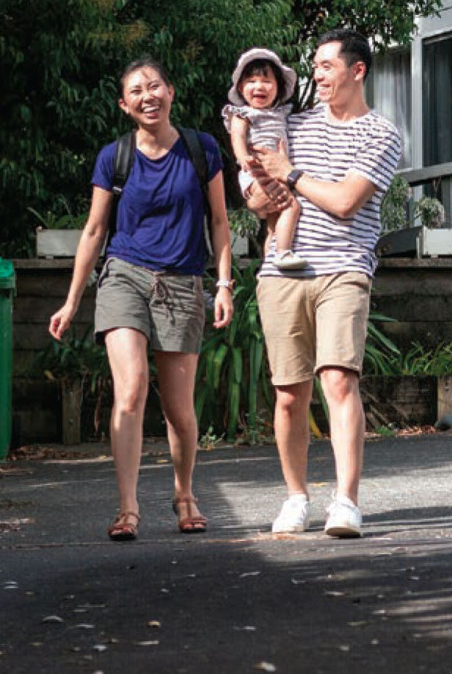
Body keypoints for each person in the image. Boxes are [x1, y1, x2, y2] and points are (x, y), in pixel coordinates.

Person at [49, 57, 234, 541]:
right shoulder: (115, 157)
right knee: (130, 389)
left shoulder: (201, 149)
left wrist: (225, 284)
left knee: (179, 408)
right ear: (124, 104)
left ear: (170, 92)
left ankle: (184, 493)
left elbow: (219, 222)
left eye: (154, 86)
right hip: (124, 276)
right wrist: (71, 301)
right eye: (136, 90)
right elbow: (93, 231)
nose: (147, 95)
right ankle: (128, 507)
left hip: (182, 281)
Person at [246, 28, 403, 538]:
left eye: (326, 65)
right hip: (282, 271)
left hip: (345, 268)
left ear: (357, 70)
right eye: (314, 65)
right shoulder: (295, 124)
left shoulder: (381, 133)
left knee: (338, 380)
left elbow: (343, 203)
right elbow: (256, 193)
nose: (316, 74)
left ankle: (346, 501)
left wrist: (289, 175)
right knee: (289, 394)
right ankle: (296, 498)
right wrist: (261, 195)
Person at [222, 48, 306, 269]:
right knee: (291, 207)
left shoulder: (280, 114)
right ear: (241, 88)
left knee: (273, 225)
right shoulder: (243, 114)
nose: (258, 86)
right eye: (251, 81)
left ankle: (270, 263)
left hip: (278, 173)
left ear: (278, 88)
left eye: (266, 81)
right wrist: (244, 159)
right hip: (257, 173)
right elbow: (237, 137)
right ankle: (283, 253)